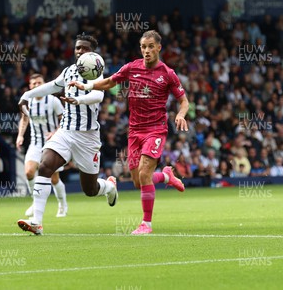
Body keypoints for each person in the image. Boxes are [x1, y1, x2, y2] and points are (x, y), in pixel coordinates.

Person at [69, 30, 188, 235]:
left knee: (144, 174)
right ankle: (166, 176)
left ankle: (146, 224)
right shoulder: (132, 67)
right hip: (135, 131)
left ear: (159, 47)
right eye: (143, 47)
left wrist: (181, 114)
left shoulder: (167, 73)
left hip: (156, 129)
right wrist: (85, 85)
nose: (147, 51)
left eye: (151, 46)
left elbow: (184, 101)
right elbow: (109, 82)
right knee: (136, 181)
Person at [16, 33, 118, 235]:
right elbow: (53, 86)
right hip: (65, 132)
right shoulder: (69, 71)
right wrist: (27, 95)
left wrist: (78, 101)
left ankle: (108, 187)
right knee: (45, 166)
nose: (80, 51)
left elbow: (98, 95)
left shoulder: (96, 72)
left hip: (87, 137)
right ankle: (37, 222)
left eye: (84, 48)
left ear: (92, 53)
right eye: (78, 47)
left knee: (89, 190)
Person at [16, 74, 68, 218]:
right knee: (29, 172)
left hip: (53, 144)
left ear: (45, 84)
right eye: (33, 84)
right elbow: (24, 119)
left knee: (54, 178)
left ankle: (62, 205)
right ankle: (35, 202)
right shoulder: (29, 102)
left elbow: (64, 120)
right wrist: (20, 135)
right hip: (35, 143)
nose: (37, 85)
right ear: (30, 87)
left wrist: (55, 132)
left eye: (39, 82)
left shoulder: (53, 101)